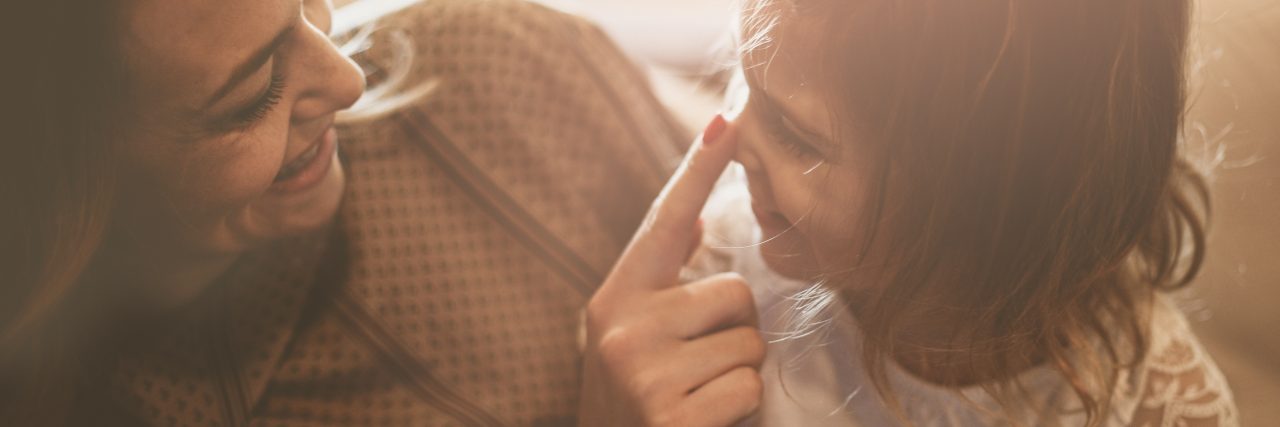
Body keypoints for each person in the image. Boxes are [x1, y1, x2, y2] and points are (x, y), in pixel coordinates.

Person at [0, 0, 767, 425]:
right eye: (252, 94)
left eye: (307, 4)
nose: (347, 80)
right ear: (59, 190)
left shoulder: (496, 65)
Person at [678, 0, 1241, 425]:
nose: (730, 140)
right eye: (743, 78)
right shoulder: (722, 266)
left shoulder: (1158, 402)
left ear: (986, 206)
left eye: (795, 136)